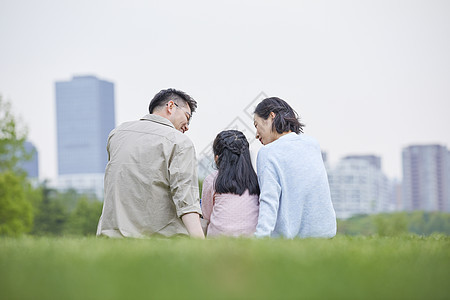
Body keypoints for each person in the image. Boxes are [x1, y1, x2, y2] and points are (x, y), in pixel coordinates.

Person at [97, 88, 204, 238]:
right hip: (160, 242)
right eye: (187, 116)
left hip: (111, 239)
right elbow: (186, 199)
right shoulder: (179, 141)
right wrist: (201, 243)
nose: (187, 126)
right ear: (171, 106)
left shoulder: (117, 134)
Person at [253, 97, 336, 238]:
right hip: (326, 234)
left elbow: (269, 199)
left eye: (256, 125)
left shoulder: (267, 152)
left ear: (271, 116)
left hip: (289, 239)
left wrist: (260, 238)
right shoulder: (312, 144)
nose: (256, 135)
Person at [201, 130, 260, 237]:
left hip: (218, 241)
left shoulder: (212, 180)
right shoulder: (255, 180)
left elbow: (206, 216)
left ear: (217, 158)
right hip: (251, 242)